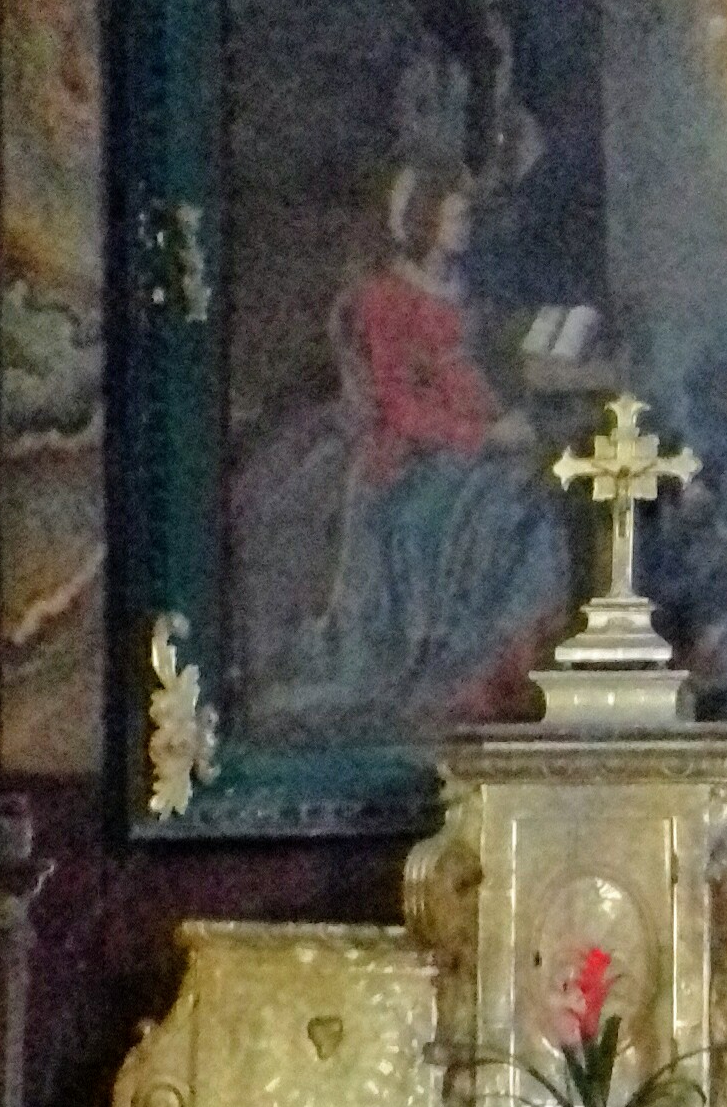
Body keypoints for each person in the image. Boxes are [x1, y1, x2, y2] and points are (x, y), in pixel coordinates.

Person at [233, 165, 567, 737]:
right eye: (454, 216)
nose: (464, 226)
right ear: (423, 220)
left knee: (533, 500)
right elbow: (399, 407)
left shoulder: (458, 290)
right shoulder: (382, 297)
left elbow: (463, 377)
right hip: (408, 458)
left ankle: (510, 667)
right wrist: (485, 436)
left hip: (468, 445)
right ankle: (452, 668)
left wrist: (502, 420)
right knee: (486, 511)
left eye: (465, 215)